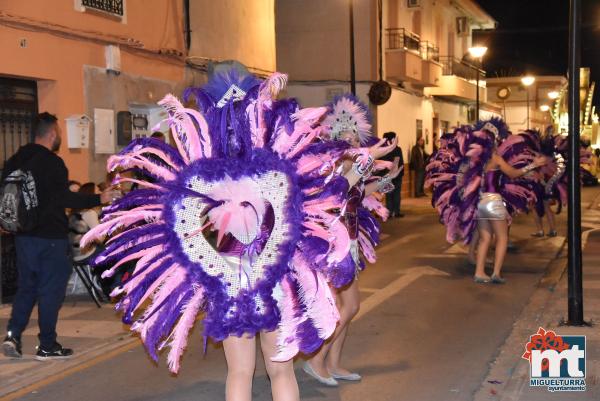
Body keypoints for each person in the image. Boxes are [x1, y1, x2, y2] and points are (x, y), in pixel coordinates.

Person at [83, 68, 354, 401]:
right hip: (274, 288)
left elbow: (180, 236)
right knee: (280, 371)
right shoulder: (274, 172)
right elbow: (304, 221)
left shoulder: (200, 182)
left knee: (239, 372)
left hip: (229, 290)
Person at [2, 112, 120, 360]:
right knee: (50, 292)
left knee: (26, 288)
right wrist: (99, 198)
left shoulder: (15, 160)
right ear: (52, 134)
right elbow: (66, 199)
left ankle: (12, 334)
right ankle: (47, 345)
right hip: (51, 239)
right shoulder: (53, 163)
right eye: (60, 134)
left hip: (23, 238)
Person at [304, 95, 401, 386]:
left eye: (353, 136)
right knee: (347, 306)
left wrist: (387, 179)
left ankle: (332, 363)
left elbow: (359, 192)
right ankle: (316, 359)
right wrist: (368, 157)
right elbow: (344, 186)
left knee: (347, 306)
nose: (349, 141)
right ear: (333, 138)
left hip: (351, 240)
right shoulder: (336, 165)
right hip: (334, 242)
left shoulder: (353, 163)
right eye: (344, 136)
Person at [382, 131, 405, 218]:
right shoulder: (397, 149)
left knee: (389, 194)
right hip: (396, 175)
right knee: (396, 194)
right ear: (392, 139)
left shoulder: (384, 150)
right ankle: (396, 211)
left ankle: (390, 212)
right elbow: (399, 162)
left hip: (387, 175)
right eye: (395, 138)